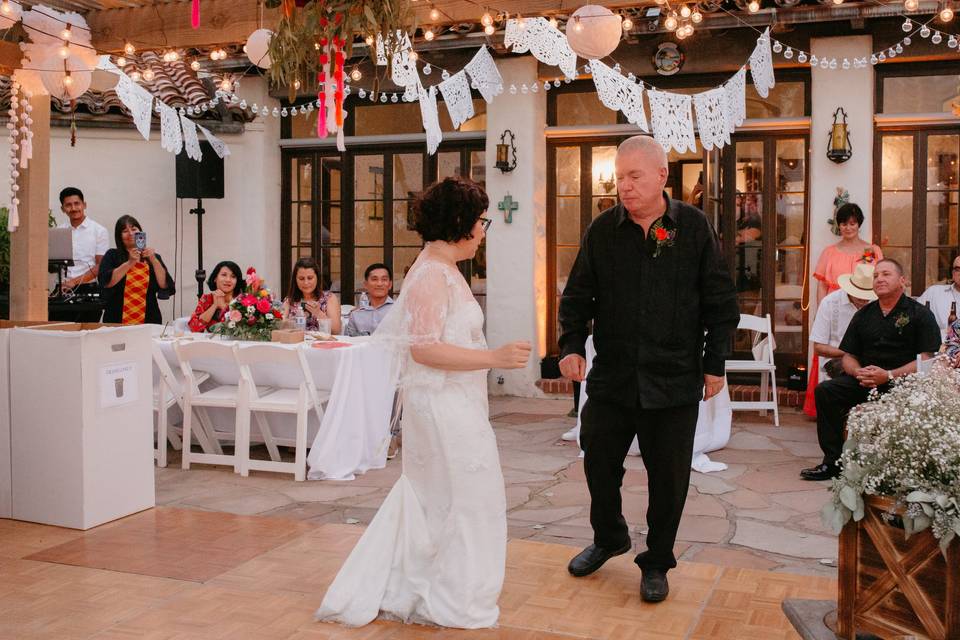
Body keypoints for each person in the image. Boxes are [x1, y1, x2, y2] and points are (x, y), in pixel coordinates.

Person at [315, 176, 531, 629]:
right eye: (481, 220)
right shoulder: (432, 272)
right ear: (460, 223)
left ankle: (436, 583)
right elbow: (424, 348)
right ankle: (448, 594)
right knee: (463, 499)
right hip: (440, 406)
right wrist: (493, 357)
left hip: (455, 402)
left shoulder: (442, 268)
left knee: (452, 498)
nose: (484, 229)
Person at [557, 136, 739, 603]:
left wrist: (714, 363)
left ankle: (657, 561)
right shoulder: (603, 230)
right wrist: (571, 345)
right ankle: (609, 536)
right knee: (596, 458)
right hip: (613, 376)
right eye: (619, 177)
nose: (624, 186)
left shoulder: (694, 227)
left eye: (634, 177)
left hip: (674, 377)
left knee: (669, 477)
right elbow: (578, 296)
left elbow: (720, 302)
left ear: (662, 176)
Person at [802, 258, 941, 481]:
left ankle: (904, 467)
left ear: (902, 281)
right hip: (866, 380)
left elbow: (926, 358)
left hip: (903, 382)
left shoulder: (919, 314)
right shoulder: (864, 315)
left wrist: (887, 375)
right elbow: (849, 355)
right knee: (826, 391)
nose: (879, 279)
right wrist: (858, 373)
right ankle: (833, 462)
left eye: (886, 274)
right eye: (876, 276)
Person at [803, 202, 884, 417]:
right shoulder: (830, 252)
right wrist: (822, 311)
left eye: (852, 223)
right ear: (838, 226)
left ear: (859, 225)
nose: (848, 228)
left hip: (865, 304)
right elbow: (821, 285)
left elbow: (880, 279)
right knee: (832, 349)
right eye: (843, 224)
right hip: (836, 305)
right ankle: (824, 405)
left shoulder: (872, 250)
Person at [98, 215, 174, 325]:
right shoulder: (112, 255)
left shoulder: (153, 257)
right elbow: (106, 282)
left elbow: (164, 284)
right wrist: (129, 263)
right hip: (117, 318)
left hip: (149, 318)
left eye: (134, 229)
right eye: (125, 231)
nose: (130, 233)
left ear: (140, 232)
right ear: (119, 236)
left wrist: (153, 259)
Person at [809, 263, 876, 382]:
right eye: (859, 295)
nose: (863, 299)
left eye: (866, 296)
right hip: (837, 361)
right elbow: (818, 347)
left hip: (870, 359)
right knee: (852, 379)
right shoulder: (829, 303)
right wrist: (853, 352)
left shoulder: (877, 302)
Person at [57, 187, 109, 293]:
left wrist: (74, 282)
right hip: (62, 289)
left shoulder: (99, 231)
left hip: (88, 288)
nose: (74, 208)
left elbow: (101, 265)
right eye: (68, 205)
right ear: (62, 209)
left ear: (84, 205)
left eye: (77, 203)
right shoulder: (59, 231)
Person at [282, 257, 342, 334]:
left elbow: (336, 331)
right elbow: (280, 328)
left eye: (310, 278)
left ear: (317, 278)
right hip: (296, 343)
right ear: (295, 280)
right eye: (301, 278)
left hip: (321, 344)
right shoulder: (289, 300)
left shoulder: (329, 298)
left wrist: (318, 313)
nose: (306, 283)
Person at [188, 260, 243, 333]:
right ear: (215, 278)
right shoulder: (206, 299)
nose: (228, 280)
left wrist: (224, 307)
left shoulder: (242, 300)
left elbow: (241, 330)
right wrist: (215, 305)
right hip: (212, 343)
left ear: (237, 281)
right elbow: (194, 328)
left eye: (233, 276)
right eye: (224, 275)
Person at [344, 263, 395, 337]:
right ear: (365, 284)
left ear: (390, 285)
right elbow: (348, 342)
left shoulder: (399, 310)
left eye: (384, 279)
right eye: (374, 279)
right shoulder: (356, 315)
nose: (379, 284)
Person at [917, 253, 960, 336]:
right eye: (958, 269)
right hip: (938, 346)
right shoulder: (934, 292)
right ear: (952, 273)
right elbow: (912, 317)